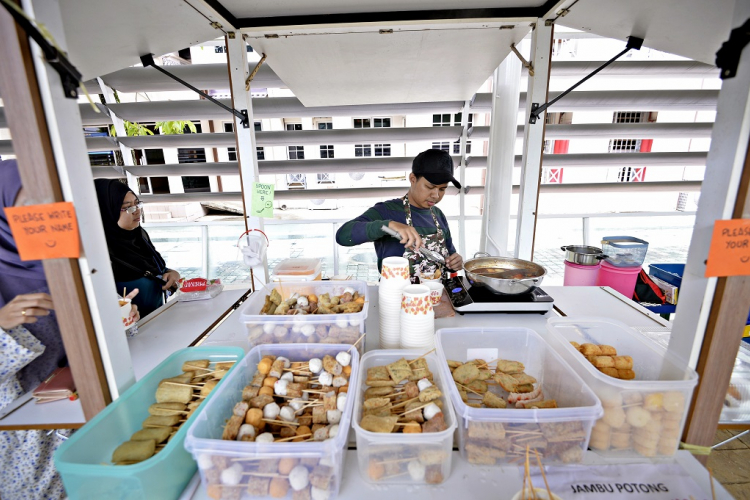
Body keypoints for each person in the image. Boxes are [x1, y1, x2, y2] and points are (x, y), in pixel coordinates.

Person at [336, 149, 464, 281]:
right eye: (430, 187)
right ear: (413, 179)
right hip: (396, 298)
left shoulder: (438, 215)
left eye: (442, 189)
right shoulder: (386, 211)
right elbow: (342, 236)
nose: (436, 195)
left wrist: (453, 262)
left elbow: (448, 256)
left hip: (436, 296)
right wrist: (388, 225)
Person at [94, 179, 180, 318]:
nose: (137, 211)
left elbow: (152, 268)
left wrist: (171, 274)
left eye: (137, 203)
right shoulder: (99, 253)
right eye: (128, 207)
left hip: (158, 322)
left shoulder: (139, 235)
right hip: (131, 333)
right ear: (106, 210)